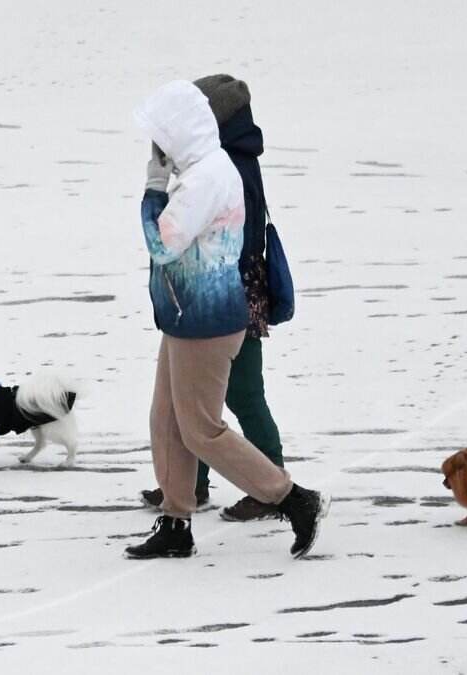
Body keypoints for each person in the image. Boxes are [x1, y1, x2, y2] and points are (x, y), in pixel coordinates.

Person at [125, 80, 328, 560]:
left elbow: (163, 244)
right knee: (168, 420)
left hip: (207, 322)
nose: (156, 149)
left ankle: (293, 499)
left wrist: (153, 190)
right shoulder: (204, 169)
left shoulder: (207, 179)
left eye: (160, 138)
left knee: (201, 429)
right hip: (183, 314)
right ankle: (176, 523)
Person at [139, 74, 286, 522]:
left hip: (230, 297)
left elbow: (200, 240)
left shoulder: (227, 166)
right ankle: (192, 487)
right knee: (198, 402)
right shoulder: (226, 159)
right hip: (226, 296)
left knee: (241, 395)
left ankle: (276, 485)